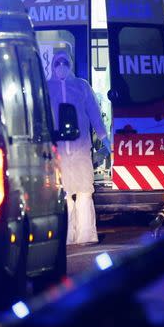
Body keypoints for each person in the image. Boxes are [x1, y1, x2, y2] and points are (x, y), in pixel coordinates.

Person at [46, 50, 110, 244]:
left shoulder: (82, 86)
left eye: (64, 62)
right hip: (58, 152)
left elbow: (94, 114)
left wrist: (105, 138)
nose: (61, 66)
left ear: (71, 64)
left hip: (81, 149)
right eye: (58, 63)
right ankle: (66, 236)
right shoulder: (47, 88)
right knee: (62, 195)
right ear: (52, 65)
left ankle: (86, 235)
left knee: (84, 192)